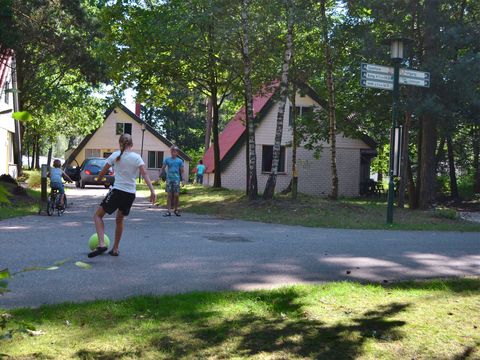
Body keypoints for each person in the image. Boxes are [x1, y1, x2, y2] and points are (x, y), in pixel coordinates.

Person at [88, 133, 156, 258]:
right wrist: (152, 191)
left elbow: (104, 170)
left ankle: (102, 243)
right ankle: (115, 249)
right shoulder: (137, 157)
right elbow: (144, 173)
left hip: (117, 191)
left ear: (120, 144)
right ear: (132, 144)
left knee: (98, 216)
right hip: (130, 194)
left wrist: (99, 179)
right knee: (119, 220)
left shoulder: (115, 155)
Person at [161, 145, 185, 217]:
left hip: (176, 180)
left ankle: (176, 210)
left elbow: (182, 171)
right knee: (169, 195)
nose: (173, 153)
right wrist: (161, 174)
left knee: (176, 195)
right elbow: (163, 168)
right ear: (171, 152)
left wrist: (183, 180)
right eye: (172, 151)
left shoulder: (180, 161)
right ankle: (168, 211)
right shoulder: (167, 159)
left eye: (175, 151)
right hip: (169, 179)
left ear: (177, 152)